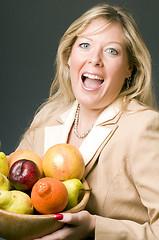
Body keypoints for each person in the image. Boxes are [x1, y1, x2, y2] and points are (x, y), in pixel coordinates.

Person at [14, 3, 159, 240]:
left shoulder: (144, 127)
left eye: (112, 51)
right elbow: (12, 198)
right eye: (85, 45)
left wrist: (95, 228)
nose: (95, 59)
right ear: (69, 57)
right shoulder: (46, 120)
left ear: (129, 69)